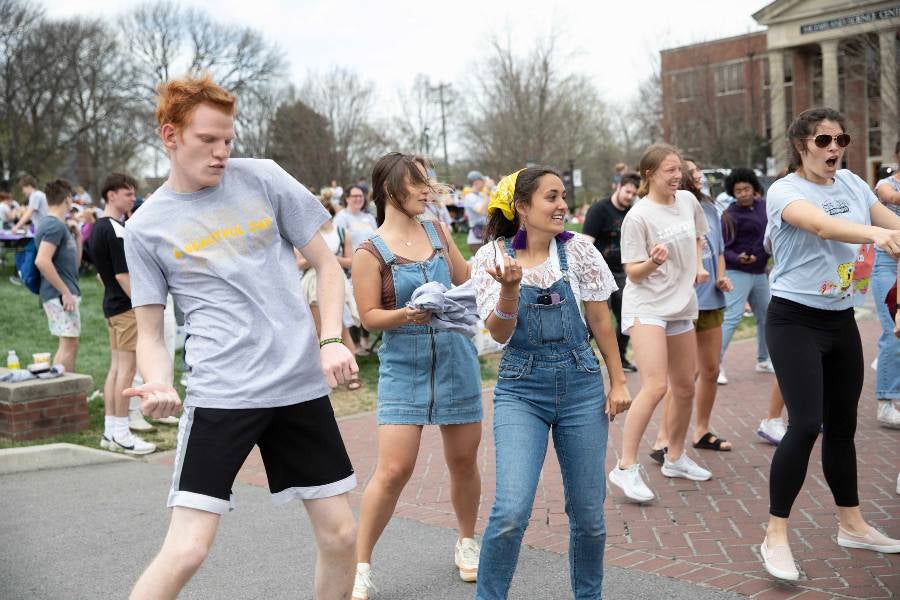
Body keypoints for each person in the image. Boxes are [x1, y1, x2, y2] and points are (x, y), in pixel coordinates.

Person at [123, 74, 359, 600]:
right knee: (187, 550)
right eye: (208, 140)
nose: (222, 152)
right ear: (171, 135)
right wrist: (158, 382)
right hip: (223, 394)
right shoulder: (146, 228)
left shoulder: (265, 179)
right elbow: (151, 332)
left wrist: (331, 339)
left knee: (342, 534)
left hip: (298, 385)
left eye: (228, 140)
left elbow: (326, 266)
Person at [471, 167, 630, 599]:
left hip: (581, 384)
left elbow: (600, 318)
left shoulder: (579, 250)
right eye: (551, 197)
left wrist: (617, 381)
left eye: (563, 196)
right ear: (522, 207)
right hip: (521, 388)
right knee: (510, 512)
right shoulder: (493, 258)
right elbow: (499, 334)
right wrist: (509, 290)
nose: (562, 205)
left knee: (589, 516)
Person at [759, 108, 900, 581]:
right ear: (801, 144)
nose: (834, 147)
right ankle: (775, 535)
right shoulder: (785, 191)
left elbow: (892, 224)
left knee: (842, 428)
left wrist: (890, 232)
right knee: (805, 425)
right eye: (823, 140)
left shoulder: (855, 184)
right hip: (794, 320)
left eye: (841, 138)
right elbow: (819, 225)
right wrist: (876, 234)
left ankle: (852, 524)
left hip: (840, 320)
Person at [350, 153, 483, 599]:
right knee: (393, 469)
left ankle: (467, 542)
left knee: (464, 461)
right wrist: (408, 314)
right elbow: (368, 317)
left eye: (428, 183)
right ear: (391, 189)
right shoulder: (370, 251)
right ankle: (360, 564)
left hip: (455, 358)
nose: (427, 191)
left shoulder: (438, 232)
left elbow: (466, 280)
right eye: (418, 184)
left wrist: (489, 275)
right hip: (402, 366)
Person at [607, 143, 712, 504]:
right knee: (655, 386)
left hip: (681, 304)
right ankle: (625, 467)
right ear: (649, 174)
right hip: (647, 305)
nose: (676, 175)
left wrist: (698, 266)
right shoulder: (639, 216)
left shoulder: (688, 202)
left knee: (685, 386)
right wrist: (653, 262)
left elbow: (699, 237)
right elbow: (632, 273)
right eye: (669, 170)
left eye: (678, 169)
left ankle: (676, 456)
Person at [650, 159, 733, 461]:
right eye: (691, 172)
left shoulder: (710, 208)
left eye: (699, 170)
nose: (698, 175)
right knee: (686, 375)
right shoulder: (665, 212)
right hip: (683, 301)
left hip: (711, 297)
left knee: (711, 369)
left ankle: (702, 431)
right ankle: (663, 439)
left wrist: (722, 277)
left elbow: (719, 251)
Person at [89, 173, 156, 455]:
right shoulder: (115, 229)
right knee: (125, 371)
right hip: (126, 308)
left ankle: (110, 431)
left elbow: (102, 276)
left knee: (117, 369)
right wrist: (144, 304)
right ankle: (121, 433)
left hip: (112, 305)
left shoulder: (97, 228)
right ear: (111, 195)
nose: (132, 198)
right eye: (127, 193)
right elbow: (121, 274)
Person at [297, 195, 362, 391]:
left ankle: (352, 372)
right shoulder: (306, 234)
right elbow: (299, 263)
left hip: (337, 281)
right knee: (319, 329)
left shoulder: (342, 233)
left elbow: (351, 261)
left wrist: (329, 259)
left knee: (341, 326)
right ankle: (325, 375)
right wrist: (316, 258)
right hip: (313, 283)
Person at [717, 168, 774, 385]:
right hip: (737, 271)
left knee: (767, 316)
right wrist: (739, 257)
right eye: (738, 190)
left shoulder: (764, 207)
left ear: (754, 188)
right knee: (732, 318)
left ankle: (763, 359)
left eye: (746, 188)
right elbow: (723, 248)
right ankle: (715, 364)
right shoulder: (729, 215)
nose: (742, 193)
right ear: (732, 192)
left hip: (760, 272)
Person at [582, 171, 641, 372]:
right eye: (627, 191)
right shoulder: (599, 210)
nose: (629, 197)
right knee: (594, 321)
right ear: (618, 187)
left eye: (634, 194)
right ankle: (580, 355)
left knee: (627, 317)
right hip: (598, 274)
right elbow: (587, 243)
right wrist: (588, 273)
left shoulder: (633, 213)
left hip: (623, 273)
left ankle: (620, 358)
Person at [33, 179, 82, 373]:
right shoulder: (53, 226)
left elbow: (74, 266)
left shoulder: (59, 226)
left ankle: (64, 391)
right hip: (59, 294)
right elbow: (42, 261)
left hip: (64, 292)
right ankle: (63, 391)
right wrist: (65, 292)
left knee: (70, 342)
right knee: (69, 343)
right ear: (68, 199)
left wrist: (78, 237)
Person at [872, 139, 900, 428]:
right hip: (887, 265)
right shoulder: (885, 184)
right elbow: (891, 198)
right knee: (894, 329)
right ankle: (885, 401)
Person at [334, 184, 378, 355]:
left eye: (361, 196)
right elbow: (338, 242)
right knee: (353, 305)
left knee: (370, 301)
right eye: (354, 196)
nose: (358, 199)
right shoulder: (341, 218)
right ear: (347, 198)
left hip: (372, 266)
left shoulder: (368, 218)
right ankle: (355, 343)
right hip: (351, 268)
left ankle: (366, 341)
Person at [464, 171, 488, 254]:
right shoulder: (469, 197)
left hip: (487, 235)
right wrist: (488, 192)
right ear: (476, 182)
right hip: (477, 239)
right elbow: (481, 211)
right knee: (483, 266)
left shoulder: (481, 195)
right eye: (483, 181)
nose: (485, 183)